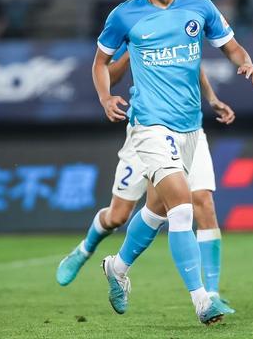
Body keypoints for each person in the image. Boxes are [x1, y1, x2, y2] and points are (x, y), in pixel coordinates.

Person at [91, 0, 253, 325]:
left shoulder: (199, 7)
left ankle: (117, 266)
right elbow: (100, 63)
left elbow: (231, 46)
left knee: (158, 210)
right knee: (182, 206)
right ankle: (203, 300)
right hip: (150, 126)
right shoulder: (124, 15)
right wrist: (105, 97)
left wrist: (246, 61)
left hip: (191, 129)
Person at [55, 52, 236, 313]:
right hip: (148, 128)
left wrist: (212, 98)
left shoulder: (188, 27)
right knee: (118, 215)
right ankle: (86, 250)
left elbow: (194, 63)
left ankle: (210, 295)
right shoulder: (135, 29)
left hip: (189, 128)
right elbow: (106, 72)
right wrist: (131, 53)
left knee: (200, 201)